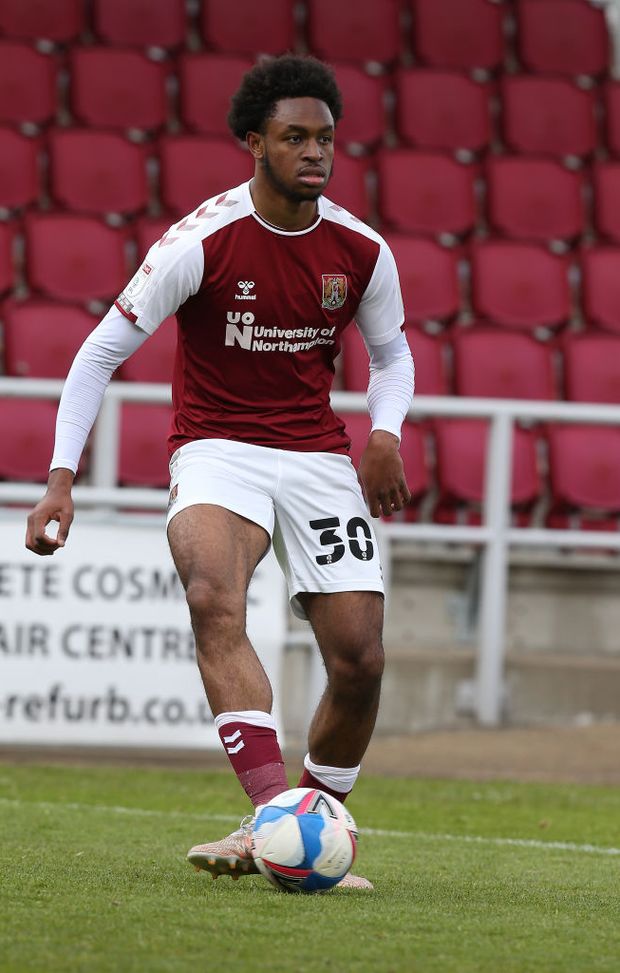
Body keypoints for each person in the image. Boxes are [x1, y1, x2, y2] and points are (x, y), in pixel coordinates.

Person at [25, 54, 414, 890]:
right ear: (254, 143)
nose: (315, 153)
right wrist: (61, 478)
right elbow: (97, 356)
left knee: (362, 659)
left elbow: (392, 353)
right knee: (212, 595)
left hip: (317, 455)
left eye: (325, 139)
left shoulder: (361, 249)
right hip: (217, 447)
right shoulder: (202, 241)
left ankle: (297, 832)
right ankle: (274, 815)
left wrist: (385, 432)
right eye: (294, 137)